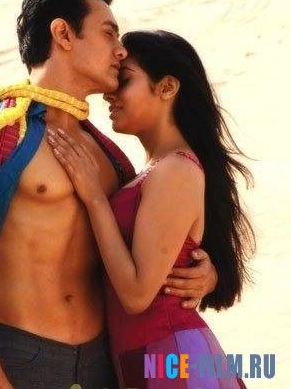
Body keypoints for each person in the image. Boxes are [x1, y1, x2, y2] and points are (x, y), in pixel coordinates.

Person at [0, 0, 218, 389]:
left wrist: (205, 273)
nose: (120, 50)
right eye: (108, 33)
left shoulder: (111, 158)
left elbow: (143, 252)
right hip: (15, 356)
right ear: (63, 34)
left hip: (104, 363)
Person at [48, 29, 255, 388]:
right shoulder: (150, 171)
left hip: (172, 358)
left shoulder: (176, 169)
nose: (110, 93)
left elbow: (137, 295)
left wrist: (95, 198)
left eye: (125, 80)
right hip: (145, 359)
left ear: (167, 87)